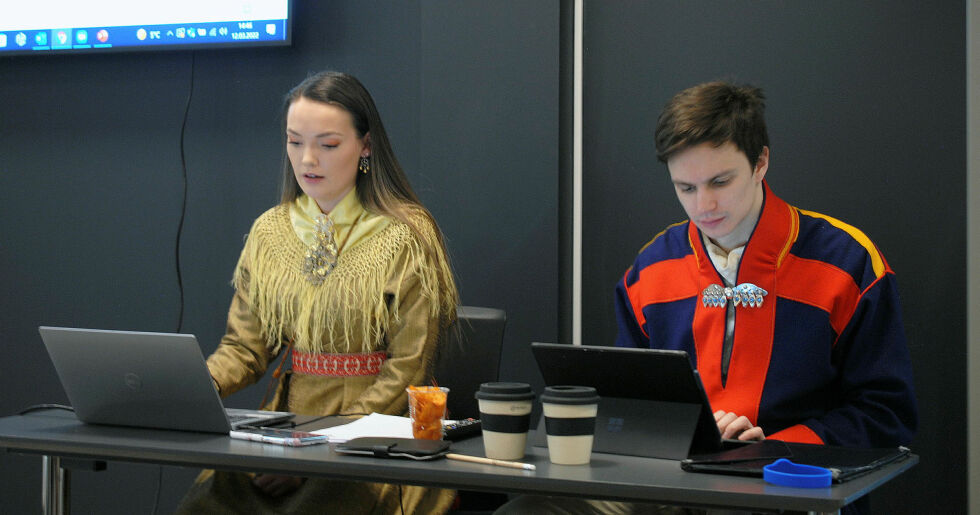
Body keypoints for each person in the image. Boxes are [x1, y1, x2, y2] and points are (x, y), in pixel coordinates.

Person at [497, 81, 917, 514]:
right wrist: (690, 436)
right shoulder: (650, 270)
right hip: (669, 486)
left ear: (761, 163)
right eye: (686, 188)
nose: (705, 205)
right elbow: (629, 407)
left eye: (720, 181)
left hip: (790, 486)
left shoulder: (848, 264)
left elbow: (886, 415)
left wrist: (773, 446)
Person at [177, 71, 459, 514]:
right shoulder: (271, 231)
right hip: (286, 432)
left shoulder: (406, 237)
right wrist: (189, 390)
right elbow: (244, 348)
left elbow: (407, 371)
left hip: (372, 438)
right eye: (294, 142)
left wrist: (321, 449)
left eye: (328, 145)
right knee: (206, 503)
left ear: (366, 146)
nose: (308, 159)